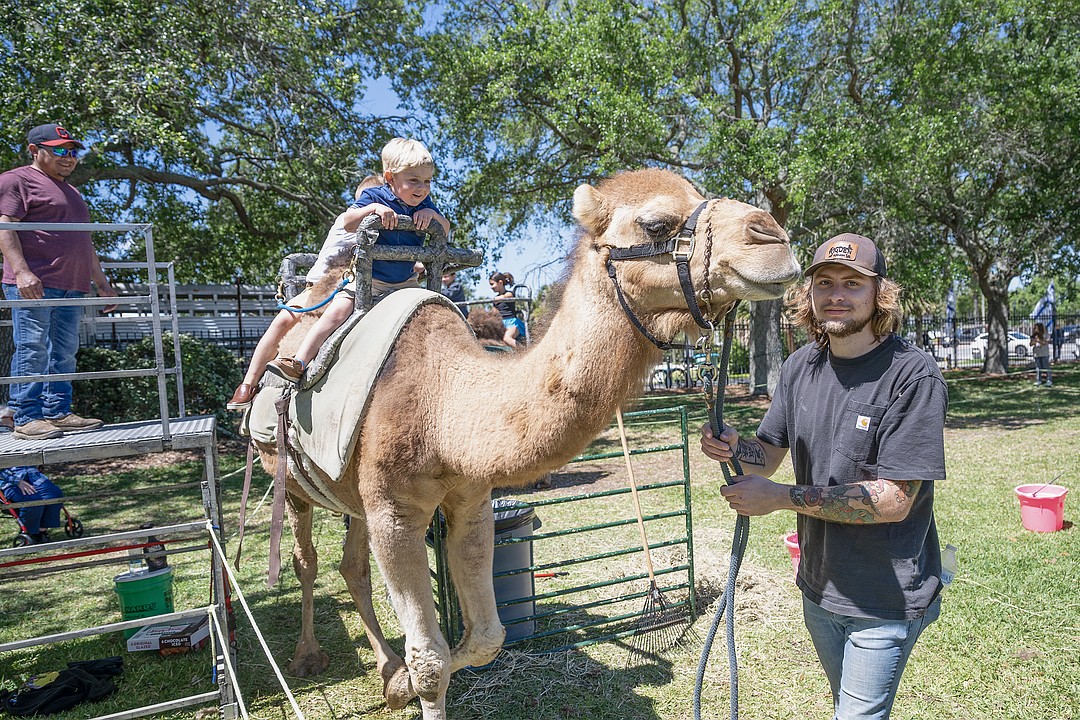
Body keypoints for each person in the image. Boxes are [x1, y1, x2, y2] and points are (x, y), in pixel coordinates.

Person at [700, 233, 947, 720]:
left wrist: (780, 497)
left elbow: (894, 499)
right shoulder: (799, 367)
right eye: (825, 282)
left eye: (853, 283)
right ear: (808, 295)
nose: (837, 293)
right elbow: (765, 454)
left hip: (884, 596)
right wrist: (733, 446)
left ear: (879, 294)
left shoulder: (912, 375)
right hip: (818, 585)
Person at [266, 138, 449, 383]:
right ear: (390, 178)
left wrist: (433, 215)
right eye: (414, 180)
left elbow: (445, 229)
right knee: (337, 312)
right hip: (370, 280)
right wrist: (372, 209)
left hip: (405, 281)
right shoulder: (376, 196)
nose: (422, 188)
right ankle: (299, 361)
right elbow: (349, 221)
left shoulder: (425, 203)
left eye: (427, 181)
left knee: (434, 309)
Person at [0, 124, 117, 440]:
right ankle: (25, 416)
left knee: (64, 350)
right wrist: (21, 271)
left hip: (73, 283)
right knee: (32, 347)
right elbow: (5, 227)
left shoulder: (72, 190)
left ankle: (57, 411)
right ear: (35, 150)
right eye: (60, 150)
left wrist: (102, 284)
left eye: (73, 151)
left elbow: (84, 241)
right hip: (35, 282)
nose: (69, 157)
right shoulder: (17, 180)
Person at [226, 175, 383, 409]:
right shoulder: (348, 221)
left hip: (361, 287)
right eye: (362, 203)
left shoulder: (386, 227)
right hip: (322, 287)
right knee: (284, 320)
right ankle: (248, 383)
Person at [0, 465, 64, 544]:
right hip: (8, 480)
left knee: (54, 494)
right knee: (33, 501)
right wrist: (18, 481)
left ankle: (42, 530)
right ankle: (30, 533)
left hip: (32, 474)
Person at [489, 271, 526, 347]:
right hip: (501, 324)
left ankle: (525, 352)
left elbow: (506, 296)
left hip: (512, 323)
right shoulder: (495, 299)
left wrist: (500, 298)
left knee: (507, 338)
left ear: (500, 282)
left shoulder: (509, 294)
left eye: (492, 284)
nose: (491, 287)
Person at [1030, 322, 1052, 387]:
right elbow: (1031, 344)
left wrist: (1038, 340)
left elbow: (1045, 343)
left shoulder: (1045, 335)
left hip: (1044, 353)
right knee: (1038, 368)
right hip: (1037, 353)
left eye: (1037, 328)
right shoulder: (1034, 335)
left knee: (1046, 367)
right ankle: (1038, 380)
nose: (1036, 330)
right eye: (1035, 328)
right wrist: (1033, 341)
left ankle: (1049, 380)